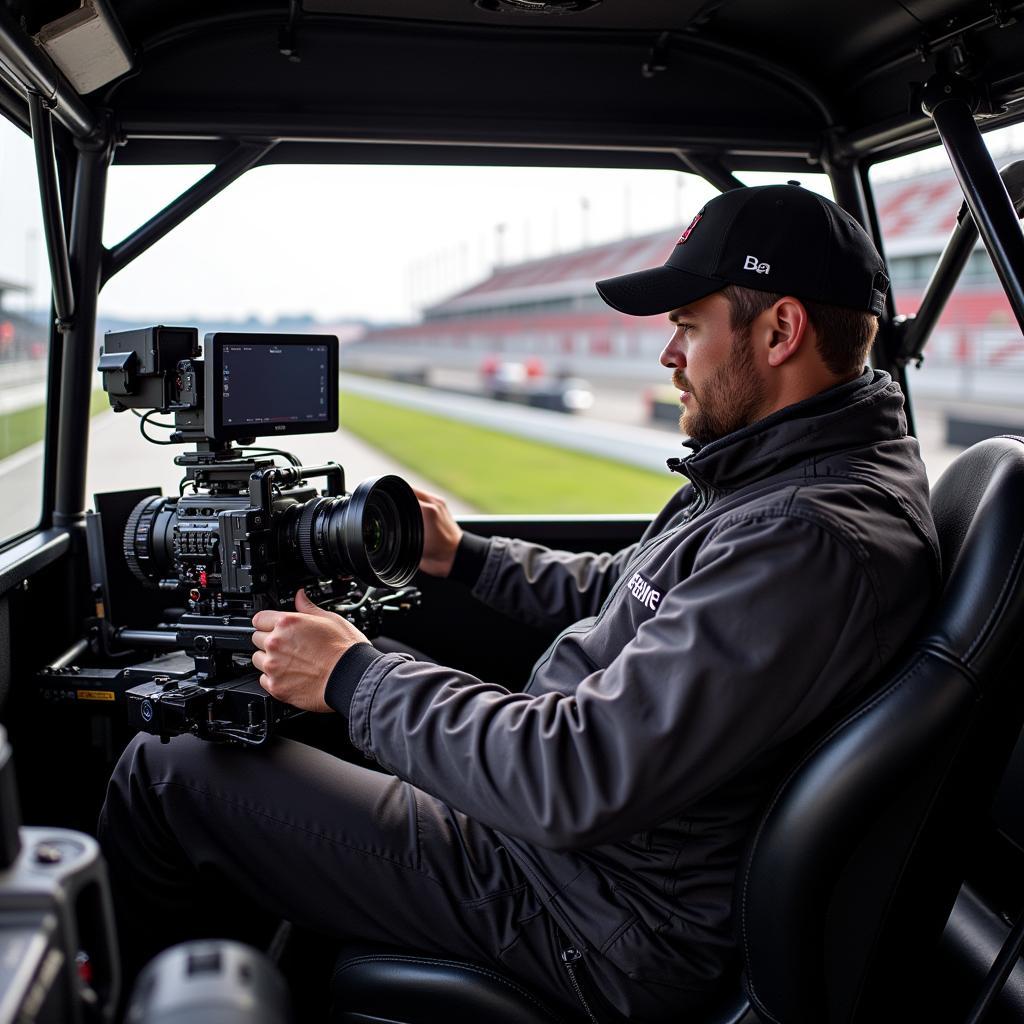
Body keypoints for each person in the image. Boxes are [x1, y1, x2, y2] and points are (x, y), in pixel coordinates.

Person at [98, 183, 940, 1023]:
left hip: (597, 914)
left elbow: (578, 772)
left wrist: (355, 674)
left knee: (169, 771)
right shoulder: (768, 478)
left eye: (687, 325)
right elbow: (627, 593)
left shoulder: (806, 539)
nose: (668, 356)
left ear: (780, 331)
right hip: (589, 858)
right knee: (300, 712)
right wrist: (464, 557)